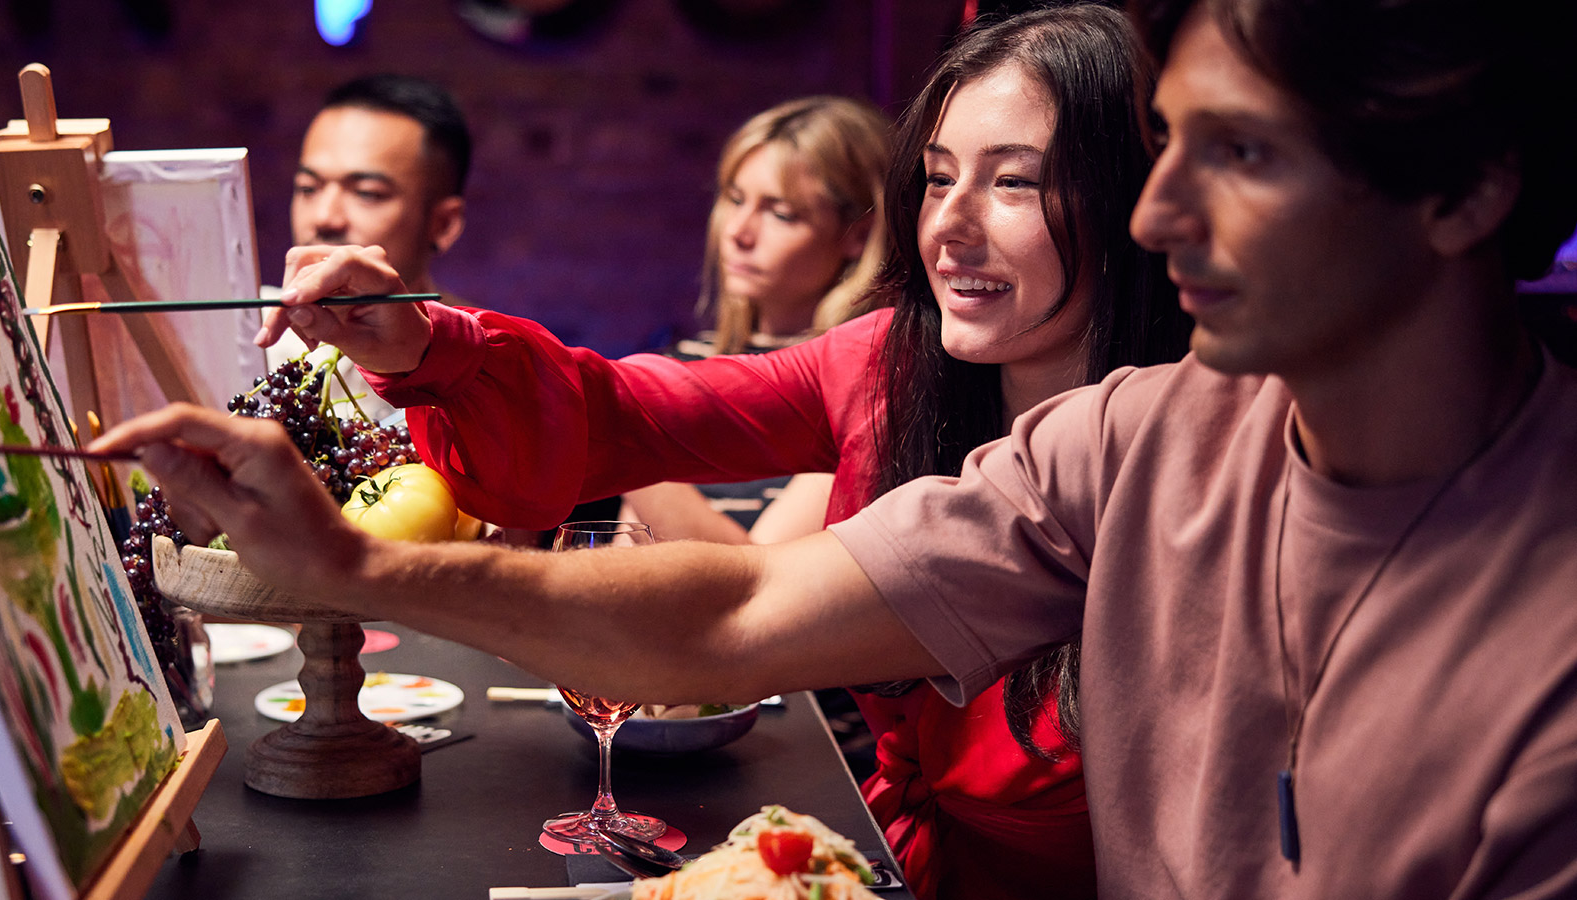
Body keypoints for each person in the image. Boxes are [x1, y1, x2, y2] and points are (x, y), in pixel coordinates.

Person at [97, 0, 1577, 894]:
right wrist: (363, 534)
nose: (1158, 214)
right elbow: (739, 608)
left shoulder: (1532, 647)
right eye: (937, 176)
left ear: (1467, 196)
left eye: (1240, 154)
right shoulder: (1139, 438)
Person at [224, 7, 1197, 898]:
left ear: (1130, 211)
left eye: (1013, 180)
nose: (949, 224)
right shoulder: (884, 364)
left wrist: (359, 567)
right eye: (938, 177)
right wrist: (428, 346)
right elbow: (632, 408)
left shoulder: (1186, 453)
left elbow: (740, 608)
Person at [623, 94, 889, 546]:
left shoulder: (867, 380)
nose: (738, 232)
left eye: (781, 213)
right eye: (735, 198)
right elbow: (625, 557)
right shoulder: (683, 362)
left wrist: (620, 433)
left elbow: (761, 576)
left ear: (858, 235)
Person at [264, 73, 474, 423]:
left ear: (443, 224)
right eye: (308, 187)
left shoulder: (477, 374)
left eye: (367, 193)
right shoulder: (254, 336)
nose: (324, 217)